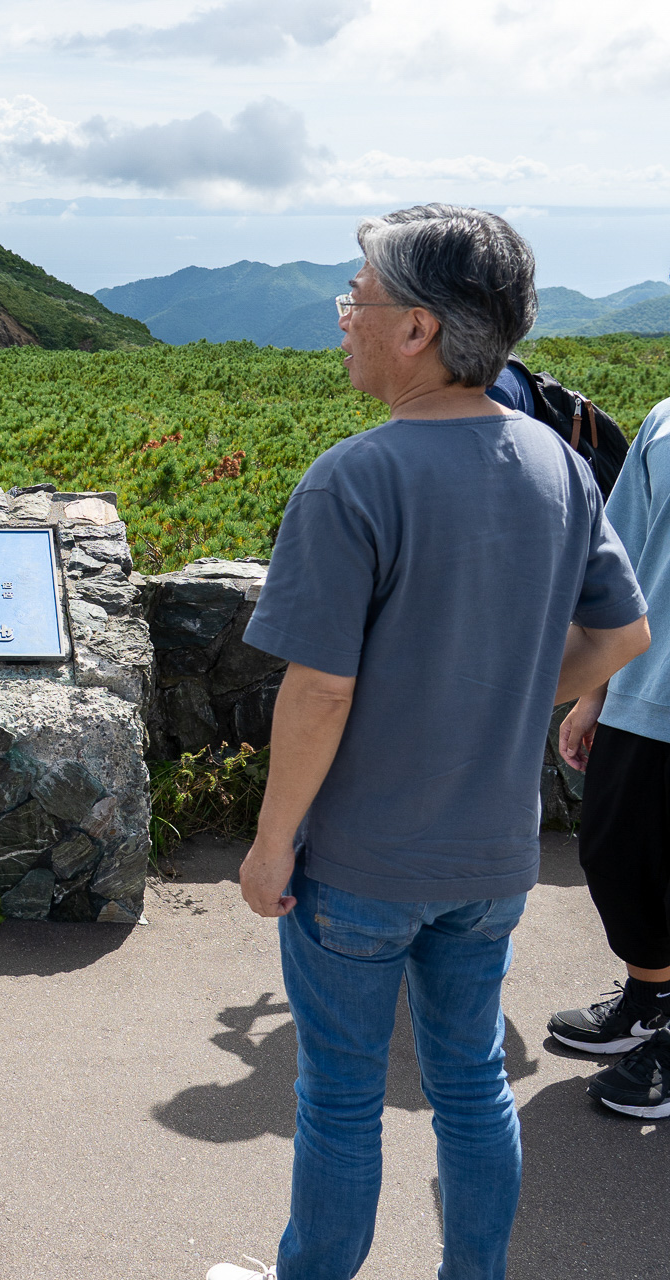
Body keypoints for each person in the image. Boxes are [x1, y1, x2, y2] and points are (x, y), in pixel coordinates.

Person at [206, 205, 651, 1280]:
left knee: (342, 1094)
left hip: (361, 860)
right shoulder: (552, 462)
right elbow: (625, 631)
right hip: (491, 858)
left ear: (416, 330)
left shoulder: (355, 476)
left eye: (356, 299)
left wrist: (270, 847)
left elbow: (318, 692)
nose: (343, 320)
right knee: (469, 1082)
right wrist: (503, 700)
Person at [551, 392, 670, 1118]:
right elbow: (623, 556)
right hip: (647, 686)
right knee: (614, 854)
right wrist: (594, 689)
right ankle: (650, 999)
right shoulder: (664, 419)